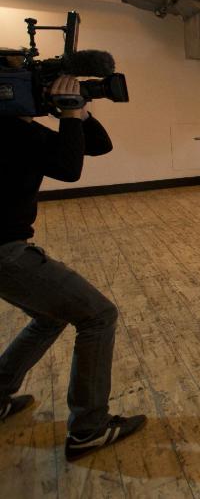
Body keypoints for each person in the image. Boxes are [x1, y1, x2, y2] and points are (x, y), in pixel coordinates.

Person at [0, 71, 147, 460]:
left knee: (49, 317)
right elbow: (69, 169)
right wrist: (66, 113)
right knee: (98, 315)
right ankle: (88, 428)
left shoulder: (20, 132)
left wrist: (78, 113)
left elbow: (97, 146)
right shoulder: (13, 133)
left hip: (8, 251)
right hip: (6, 253)